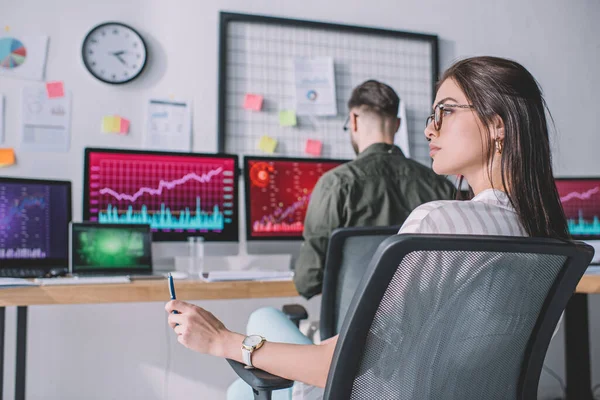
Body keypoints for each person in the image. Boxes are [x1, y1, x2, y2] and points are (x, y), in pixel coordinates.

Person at [165, 56, 570, 399]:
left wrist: (220, 340)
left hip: (381, 387)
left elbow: (339, 363)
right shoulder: (550, 238)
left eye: (445, 112)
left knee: (261, 326)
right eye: (431, 117)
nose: (429, 130)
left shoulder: (440, 222)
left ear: (497, 125)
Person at [295, 79, 455, 299]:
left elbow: (307, 282)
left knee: (263, 316)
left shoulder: (336, 184)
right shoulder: (439, 185)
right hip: (422, 326)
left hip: (351, 329)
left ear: (353, 121)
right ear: (397, 124)